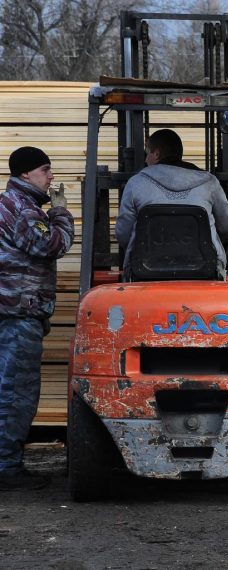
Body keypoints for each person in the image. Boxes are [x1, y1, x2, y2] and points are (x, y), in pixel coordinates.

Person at [0, 146, 73, 491]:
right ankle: (6, 467)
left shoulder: (9, 204)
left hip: (11, 310)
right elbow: (52, 245)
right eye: (46, 170)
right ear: (27, 174)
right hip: (18, 313)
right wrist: (61, 213)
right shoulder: (24, 210)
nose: (51, 176)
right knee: (16, 391)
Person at [116, 129, 228, 280]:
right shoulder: (209, 182)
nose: (146, 160)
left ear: (156, 154)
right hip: (205, 270)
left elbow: (123, 234)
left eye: (147, 153)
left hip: (145, 271)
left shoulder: (135, 183)